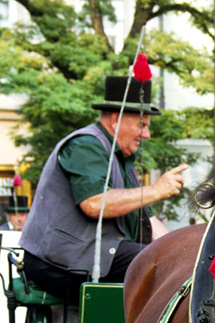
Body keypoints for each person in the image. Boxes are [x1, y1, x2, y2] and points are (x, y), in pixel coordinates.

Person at [20, 67, 187, 302]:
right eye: (142, 124)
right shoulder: (86, 145)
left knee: (172, 256)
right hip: (56, 263)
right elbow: (94, 203)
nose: (147, 134)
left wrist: (184, 248)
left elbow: (149, 221)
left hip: (88, 255)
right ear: (117, 119)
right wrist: (156, 190)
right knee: (156, 260)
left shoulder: (121, 160)